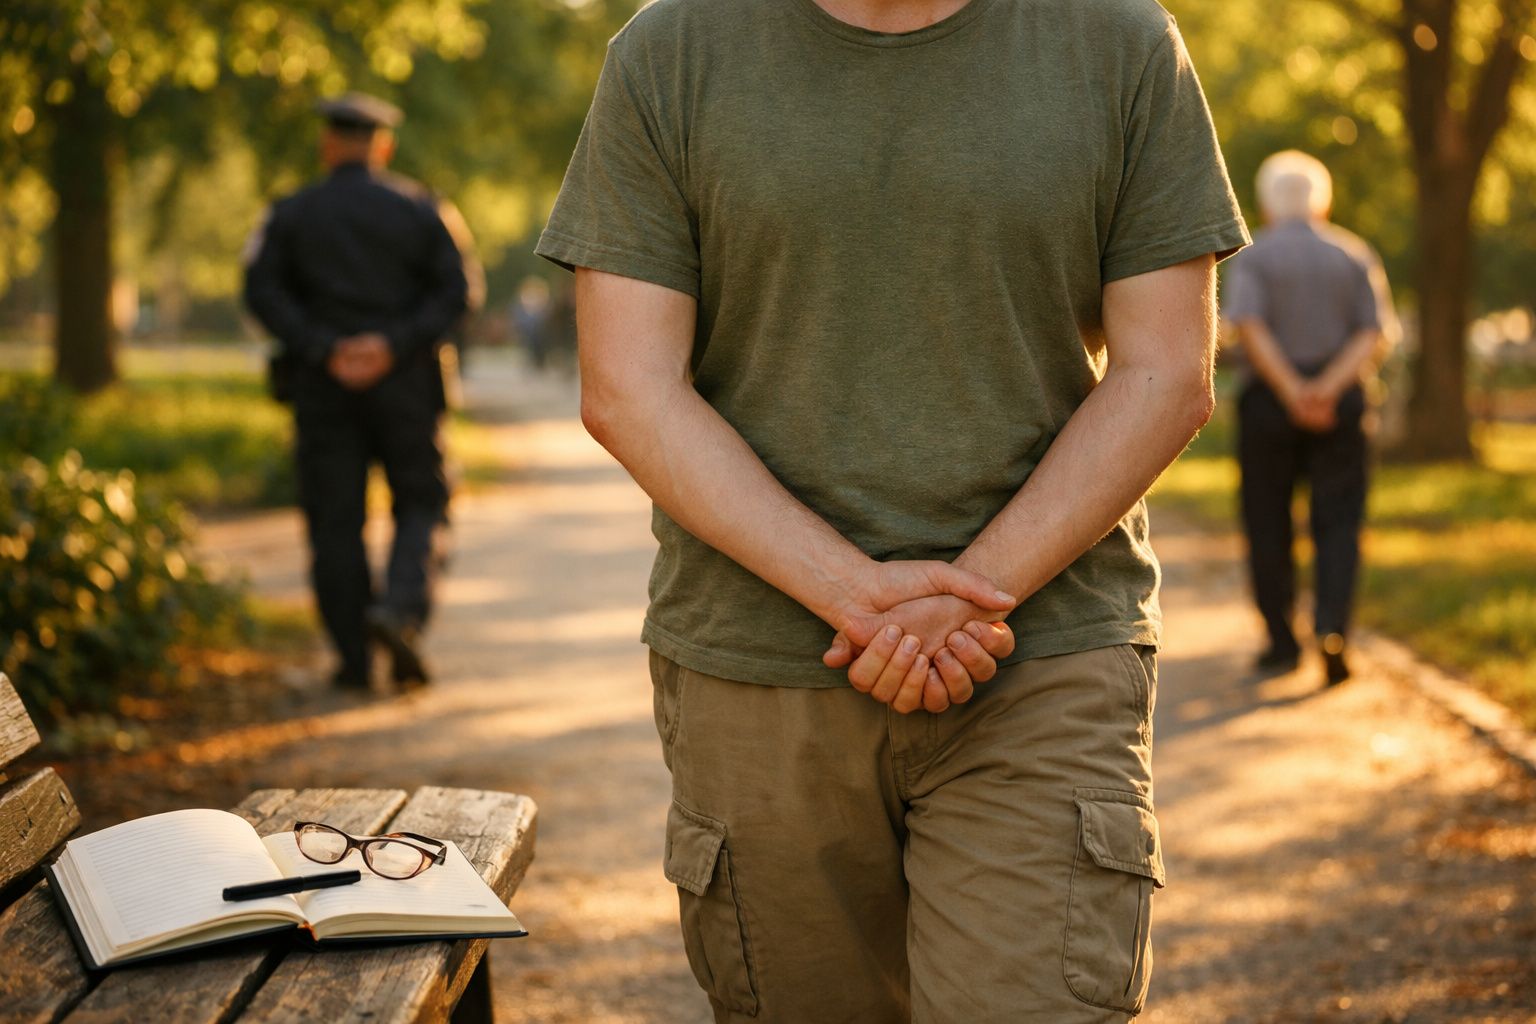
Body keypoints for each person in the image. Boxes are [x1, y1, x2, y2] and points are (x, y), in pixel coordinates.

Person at [537, 0, 1248, 1018]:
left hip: (1040, 655)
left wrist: (973, 594)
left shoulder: (1119, 42)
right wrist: (857, 596)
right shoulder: (671, 51)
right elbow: (628, 387)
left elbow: (1166, 372)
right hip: (758, 666)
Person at [244, 92, 480, 691]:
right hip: (407, 386)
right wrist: (391, 344)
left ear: (327, 144)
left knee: (334, 521)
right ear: (383, 145)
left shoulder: (291, 213)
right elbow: (459, 291)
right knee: (421, 503)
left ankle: (353, 660)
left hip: (322, 389)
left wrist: (326, 347)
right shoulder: (424, 209)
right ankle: (398, 611)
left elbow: (261, 291)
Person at [1223, 150, 1396, 686]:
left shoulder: (1255, 256)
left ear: (1268, 203)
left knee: (1267, 520)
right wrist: (1325, 389)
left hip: (1269, 405)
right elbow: (1373, 333)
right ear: (1323, 201)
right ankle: (1332, 629)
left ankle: (1281, 643)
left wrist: (1294, 391)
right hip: (1342, 403)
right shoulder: (1352, 254)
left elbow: (1246, 324)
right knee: (1339, 520)